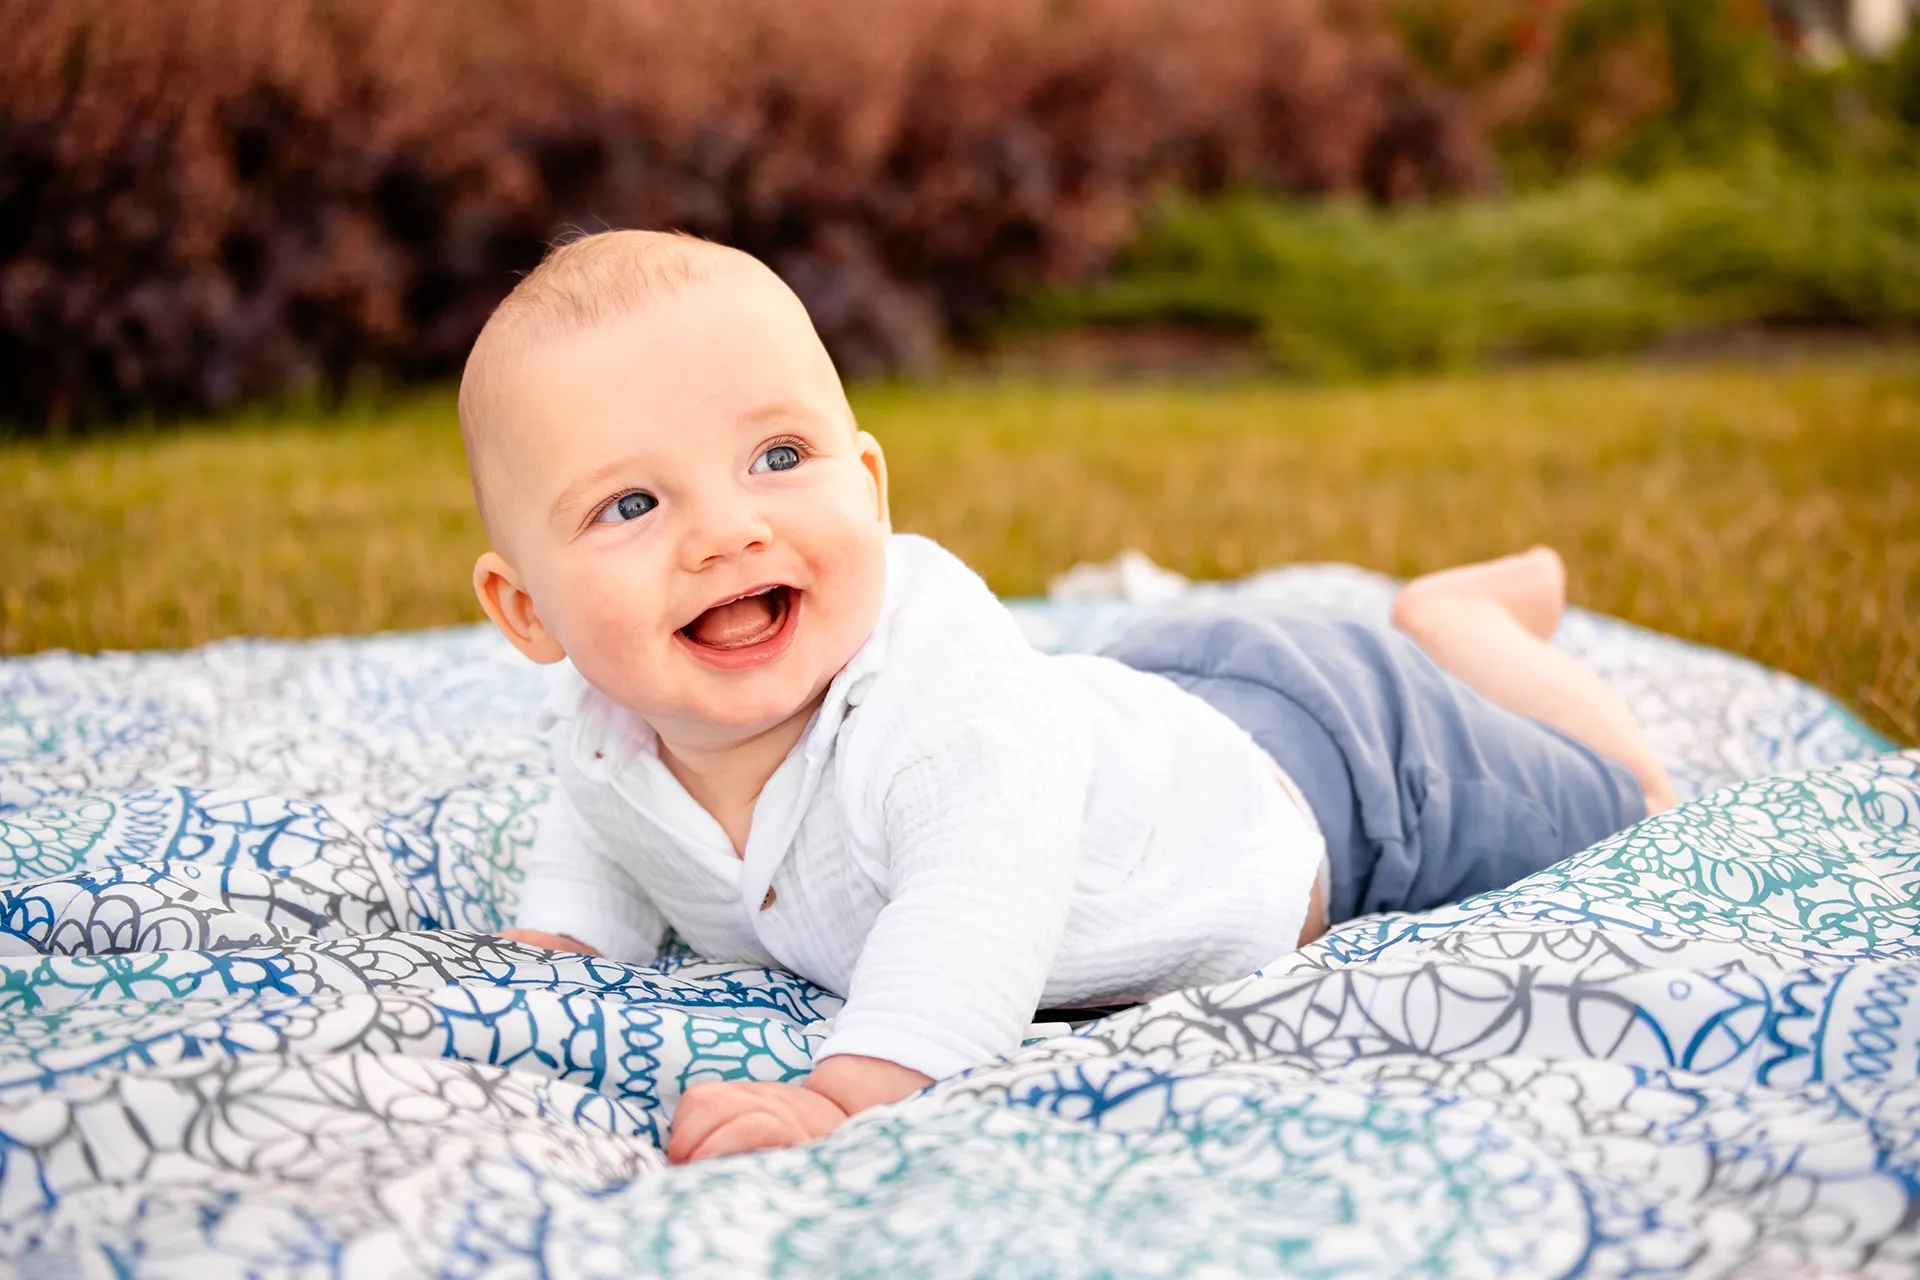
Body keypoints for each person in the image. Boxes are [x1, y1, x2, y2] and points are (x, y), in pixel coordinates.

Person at [457, 229, 1676, 1165]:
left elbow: (972, 916)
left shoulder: (937, 714)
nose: (729, 528)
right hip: (1150, 701)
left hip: (1340, 773)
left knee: (1632, 804)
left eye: (780, 457)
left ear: (870, 486)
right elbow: (602, 828)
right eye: (631, 504)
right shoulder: (614, 733)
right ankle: (1423, 623)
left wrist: (844, 1093)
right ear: (526, 613)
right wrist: (562, 939)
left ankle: (1453, 627)